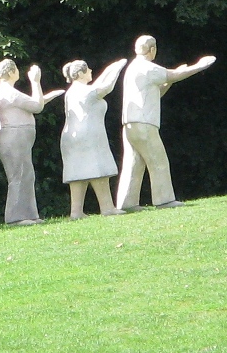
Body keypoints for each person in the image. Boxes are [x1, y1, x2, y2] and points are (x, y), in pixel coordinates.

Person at [115, 36, 216, 210]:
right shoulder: (147, 67)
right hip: (144, 122)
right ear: (152, 49)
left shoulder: (133, 67)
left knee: (133, 164)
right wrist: (200, 66)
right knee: (158, 161)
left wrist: (170, 79)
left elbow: (158, 91)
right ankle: (165, 200)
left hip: (130, 124)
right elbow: (173, 75)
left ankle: (127, 203)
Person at [0, 59, 64, 225]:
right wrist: (36, 81)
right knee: (17, 177)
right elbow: (37, 107)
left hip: (19, 139)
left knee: (26, 176)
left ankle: (30, 215)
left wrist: (47, 97)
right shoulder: (9, 92)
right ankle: (15, 218)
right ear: (11, 72)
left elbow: (31, 104)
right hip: (14, 138)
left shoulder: (8, 92)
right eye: (16, 69)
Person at [60, 58, 127, 219]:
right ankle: (107, 207)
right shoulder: (86, 91)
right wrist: (117, 68)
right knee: (98, 169)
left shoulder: (74, 91)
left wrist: (110, 68)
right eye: (88, 69)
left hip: (72, 136)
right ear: (81, 73)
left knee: (77, 172)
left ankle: (76, 211)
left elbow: (98, 84)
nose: (91, 71)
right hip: (88, 135)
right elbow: (107, 87)